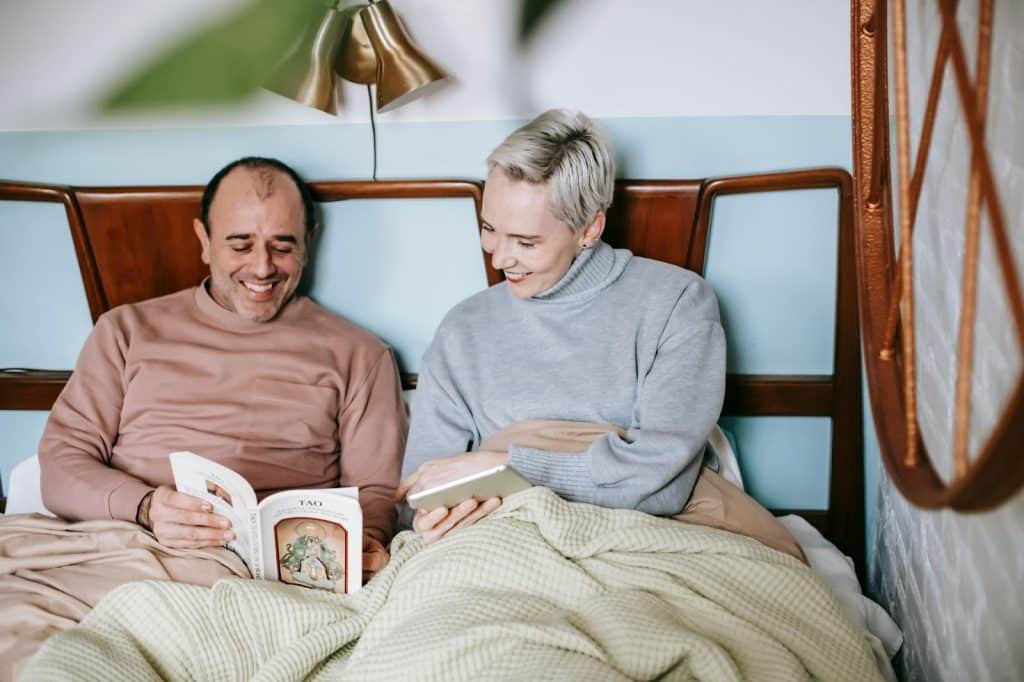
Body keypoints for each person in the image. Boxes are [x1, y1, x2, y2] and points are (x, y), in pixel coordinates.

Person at [38, 156, 407, 573]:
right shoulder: (125, 330)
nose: (263, 267)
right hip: (125, 544)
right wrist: (144, 506)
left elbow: (376, 493)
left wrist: (366, 540)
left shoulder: (360, 354)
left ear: (309, 241)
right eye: (240, 245)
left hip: (268, 567)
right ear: (204, 239)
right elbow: (60, 464)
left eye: (283, 247)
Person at [397, 110, 727, 544]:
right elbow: (421, 485)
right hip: (496, 547)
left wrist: (506, 466)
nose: (498, 259)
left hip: (640, 540)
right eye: (489, 229)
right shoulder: (463, 328)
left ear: (589, 228)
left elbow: (662, 481)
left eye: (526, 242)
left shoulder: (677, 303)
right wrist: (429, 513)